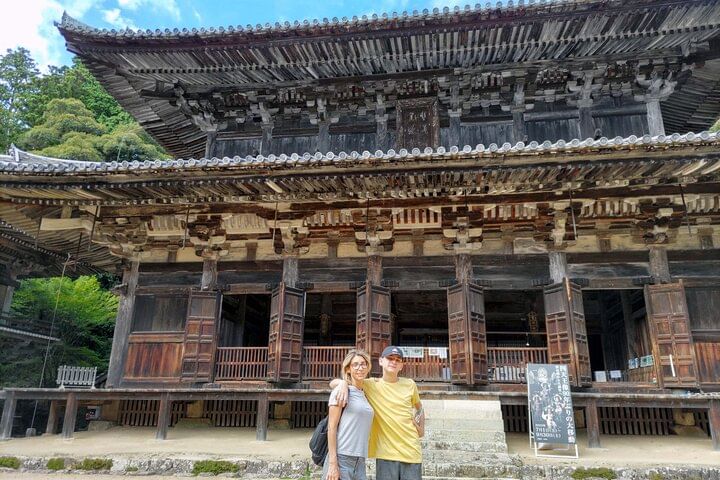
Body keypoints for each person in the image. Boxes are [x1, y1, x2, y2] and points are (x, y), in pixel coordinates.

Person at [331, 346, 425, 480]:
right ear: (381, 361)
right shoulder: (371, 385)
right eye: (390, 358)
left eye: (398, 360)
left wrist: (421, 429)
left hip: (412, 451)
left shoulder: (410, 384)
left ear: (401, 365)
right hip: (385, 454)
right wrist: (342, 384)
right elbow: (333, 383)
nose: (394, 362)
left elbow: (419, 408)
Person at [324, 349, 374, 480]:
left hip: (360, 459)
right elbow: (331, 427)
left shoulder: (365, 393)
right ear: (348, 369)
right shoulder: (341, 392)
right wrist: (333, 464)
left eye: (363, 364)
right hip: (342, 457)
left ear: (368, 367)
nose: (360, 368)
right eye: (355, 365)